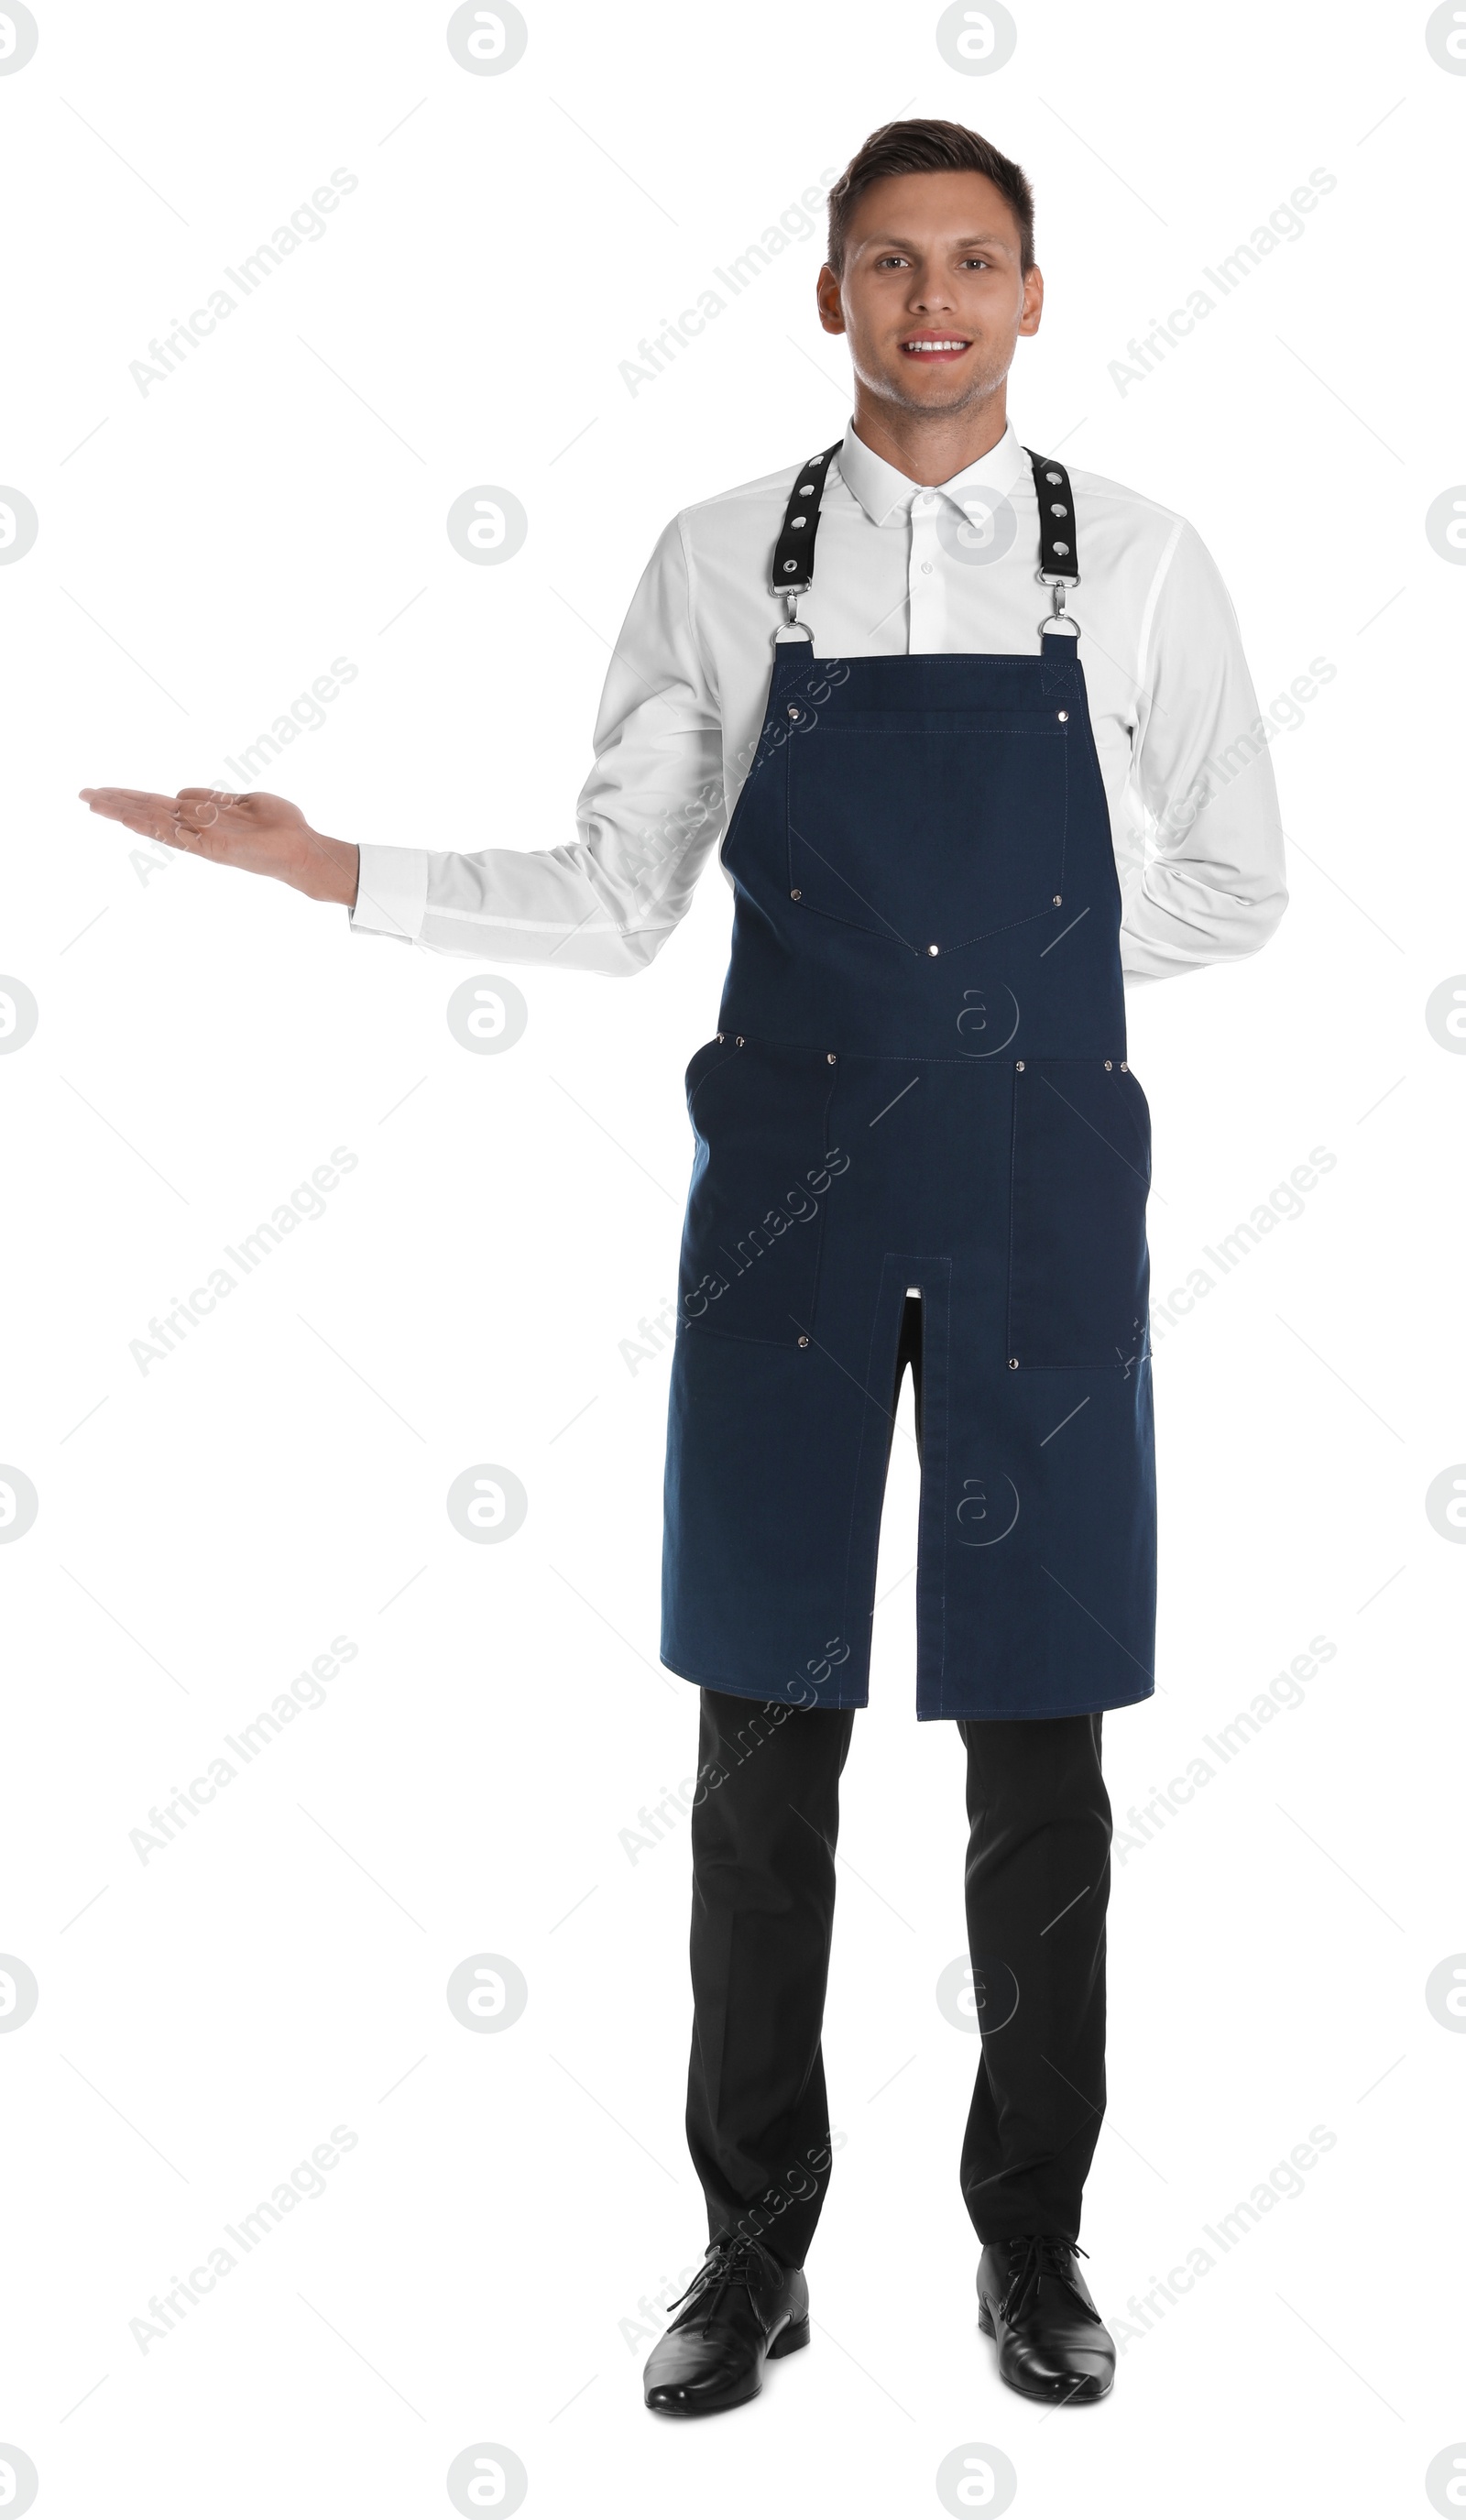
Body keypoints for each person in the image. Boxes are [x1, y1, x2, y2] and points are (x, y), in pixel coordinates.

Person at [80, 117, 1286, 2415]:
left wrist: (1003, 983)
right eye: (887, 263)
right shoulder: (721, 561)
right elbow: (624, 895)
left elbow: (1233, 885)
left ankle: (1031, 2251)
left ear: (1032, 295)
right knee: (764, 1746)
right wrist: (332, 863)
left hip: (1041, 1207)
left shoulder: (1133, 566)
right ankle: (752, 2252)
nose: (931, 299)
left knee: (1040, 1760)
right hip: (794, 1212)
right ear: (824, 292)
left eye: (974, 262)